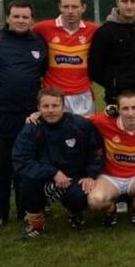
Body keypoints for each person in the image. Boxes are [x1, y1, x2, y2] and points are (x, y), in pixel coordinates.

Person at [12, 89, 103, 239]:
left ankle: (73, 211)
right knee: (26, 181)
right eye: (46, 106)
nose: (50, 110)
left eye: (55, 106)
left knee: (79, 196)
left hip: (72, 178)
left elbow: (96, 152)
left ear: (64, 107)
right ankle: (36, 224)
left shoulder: (80, 125)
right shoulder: (31, 128)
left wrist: (90, 175)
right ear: (38, 108)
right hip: (43, 177)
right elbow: (21, 161)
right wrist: (53, 173)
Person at [0, 0, 48, 228]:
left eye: (25, 17)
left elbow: (42, 72)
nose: (21, 21)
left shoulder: (38, 43)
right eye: (16, 16)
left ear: (32, 20)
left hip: (29, 115)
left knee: (27, 165)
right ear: (8, 18)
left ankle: (28, 210)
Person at [86, 91, 135, 227]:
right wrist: (40, 115)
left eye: (134, 108)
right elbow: (77, 119)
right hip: (110, 177)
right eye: (125, 108)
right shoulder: (104, 122)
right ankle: (111, 210)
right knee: (95, 201)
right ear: (118, 110)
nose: (130, 113)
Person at [32, 0, 98, 116]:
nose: (70, 11)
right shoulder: (43, 28)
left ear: (83, 8)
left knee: (84, 134)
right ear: (60, 7)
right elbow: (21, 37)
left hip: (83, 95)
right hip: (53, 97)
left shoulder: (93, 30)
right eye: (66, 6)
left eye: (74, 7)